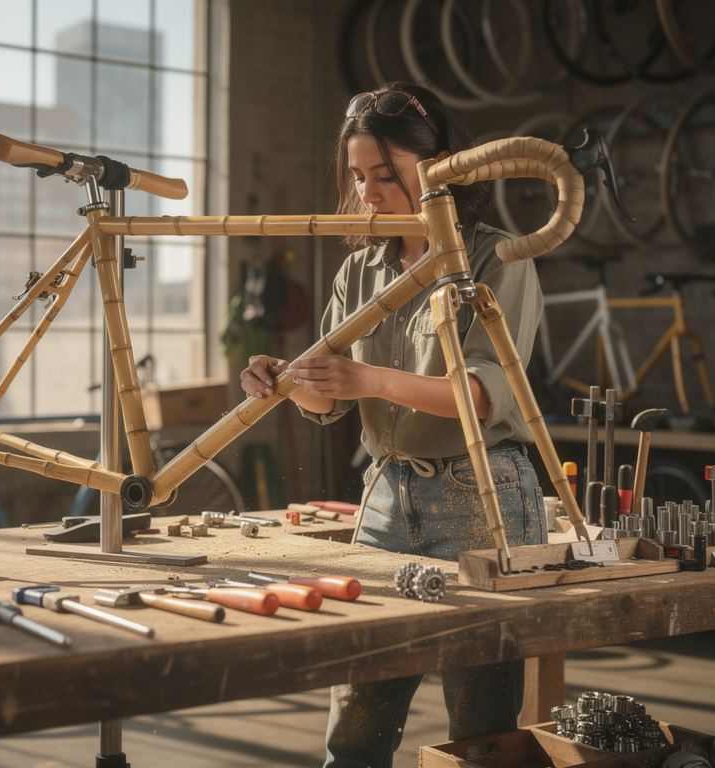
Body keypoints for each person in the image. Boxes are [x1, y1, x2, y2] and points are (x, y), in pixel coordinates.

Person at [239, 81, 548, 768]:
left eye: (387, 175)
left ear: (441, 168)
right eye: (358, 177)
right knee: (355, 724)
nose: (369, 193)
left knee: (481, 732)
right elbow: (331, 402)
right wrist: (289, 383)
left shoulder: (499, 258)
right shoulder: (360, 269)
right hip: (385, 495)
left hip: (483, 496)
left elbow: (483, 394)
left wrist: (365, 377)